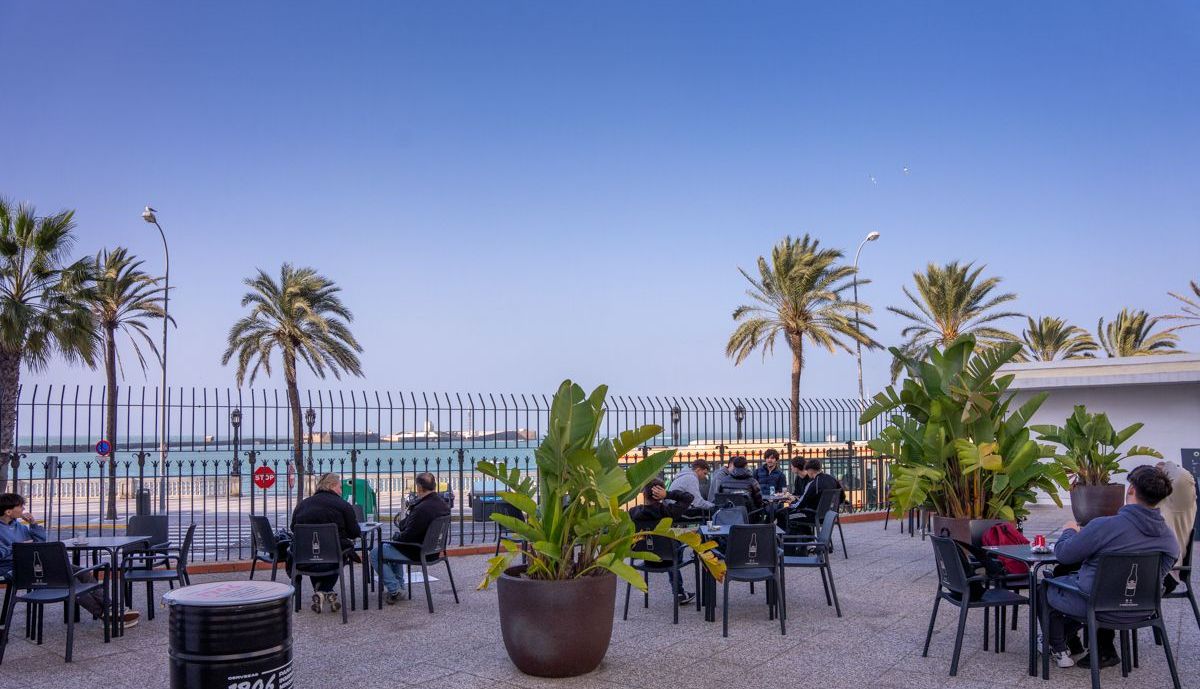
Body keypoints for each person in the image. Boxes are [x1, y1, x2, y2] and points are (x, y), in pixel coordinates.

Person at [1041, 465, 1179, 669]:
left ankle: (1059, 646)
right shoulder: (1168, 538)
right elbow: (1163, 571)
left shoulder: (1104, 526)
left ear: (1131, 489)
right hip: (1143, 609)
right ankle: (1073, 642)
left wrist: (1069, 531)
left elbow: (1064, 554)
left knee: (1044, 587)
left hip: (1095, 607)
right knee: (1088, 585)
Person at [0, 493, 139, 628]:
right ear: (8, 511)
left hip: (36, 564)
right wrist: (18, 548)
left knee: (81, 572)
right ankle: (105, 614)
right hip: (15, 569)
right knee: (70, 580)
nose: (24, 508)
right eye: (20, 506)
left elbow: (40, 542)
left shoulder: (18, 526)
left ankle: (110, 608)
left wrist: (34, 524)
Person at [372, 472, 449, 604]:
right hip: (434, 551)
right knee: (390, 547)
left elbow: (408, 536)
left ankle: (394, 588)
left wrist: (396, 536)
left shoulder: (421, 508)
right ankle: (399, 587)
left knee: (376, 552)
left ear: (419, 487)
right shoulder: (443, 505)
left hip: (417, 551)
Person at [291, 473, 361, 613]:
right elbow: (354, 532)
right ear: (332, 486)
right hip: (333, 557)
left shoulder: (303, 505)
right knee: (340, 551)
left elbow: (293, 528)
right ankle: (325, 591)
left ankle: (320, 592)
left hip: (305, 558)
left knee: (314, 551)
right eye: (340, 487)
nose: (341, 491)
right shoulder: (343, 505)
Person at [629, 478, 696, 605]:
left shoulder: (633, 512)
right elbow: (689, 497)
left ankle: (680, 593)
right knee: (675, 545)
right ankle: (679, 593)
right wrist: (668, 494)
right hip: (669, 559)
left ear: (644, 494)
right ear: (661, 494)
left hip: (647, 558)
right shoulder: (668, 511)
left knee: (667, 546)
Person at [1156, 459, 1197, 587]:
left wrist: (1164, 467)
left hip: (1165, 573)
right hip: (1138, 568)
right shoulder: (1146, 504)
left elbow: (1183, 477)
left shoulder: (1176, 503)